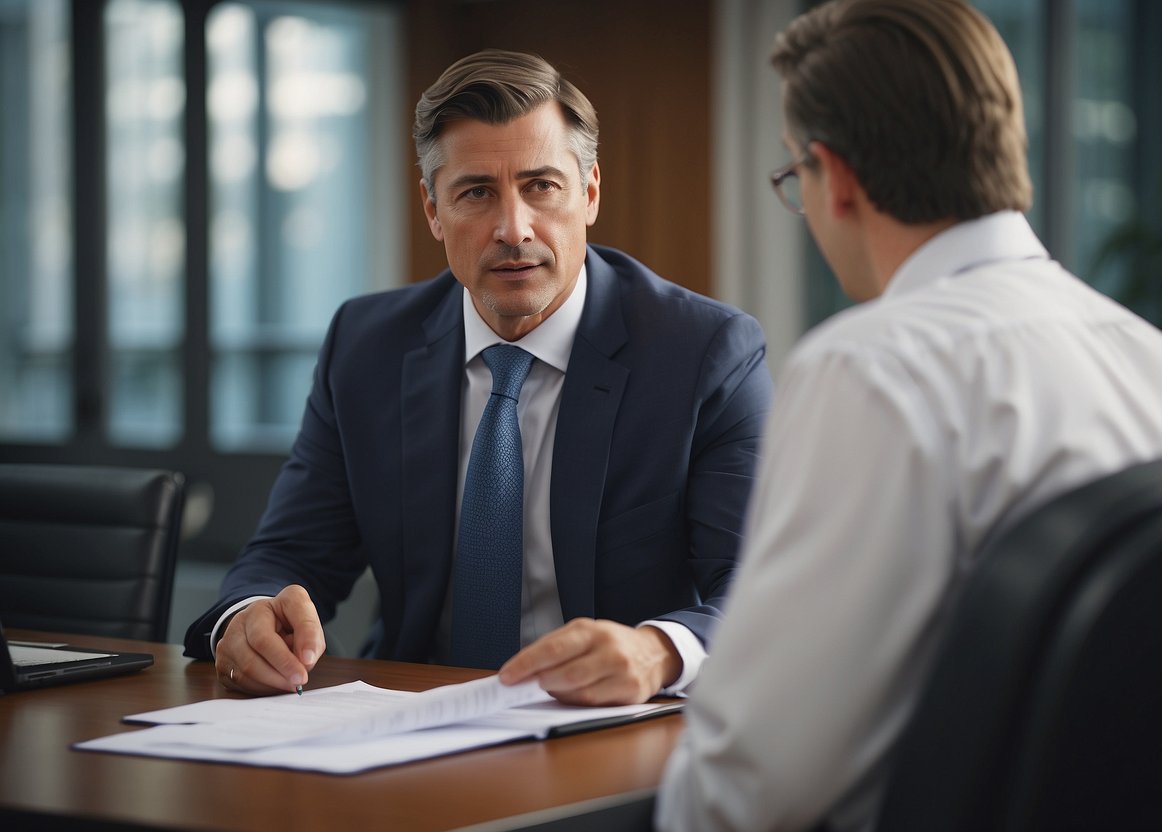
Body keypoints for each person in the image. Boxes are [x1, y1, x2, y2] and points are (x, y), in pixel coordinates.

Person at [656, 1, 1162, 829]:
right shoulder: (1158, 361)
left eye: (792, 177)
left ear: (833, 176)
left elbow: (757, 788)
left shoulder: (872, 371)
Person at [183, 49, 772, 705]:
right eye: (475, 193)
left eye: (541, 186)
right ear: (433, 209)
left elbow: (757, 585)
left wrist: (658, 650)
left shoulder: (702, 352)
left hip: (609, 724)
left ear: (591, 193)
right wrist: (249, 616)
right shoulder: (367, 345)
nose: (512, 229)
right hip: (408, 717)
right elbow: (292, 552)